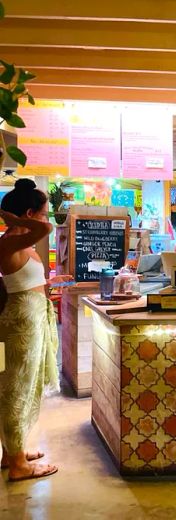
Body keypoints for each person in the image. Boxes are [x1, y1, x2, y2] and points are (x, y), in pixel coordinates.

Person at [0, 179, 71, 482]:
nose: (47, 218)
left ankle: (11, 453)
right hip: (18, 325)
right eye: (43, 212)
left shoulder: (21, 243)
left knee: (24, 388)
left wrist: (49, 284)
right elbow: (46, 230)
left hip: (29, 321)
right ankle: (18, 464)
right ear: (29, 214)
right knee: (15, 390)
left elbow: (23, 281)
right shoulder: (8, 240)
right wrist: (18, 221)